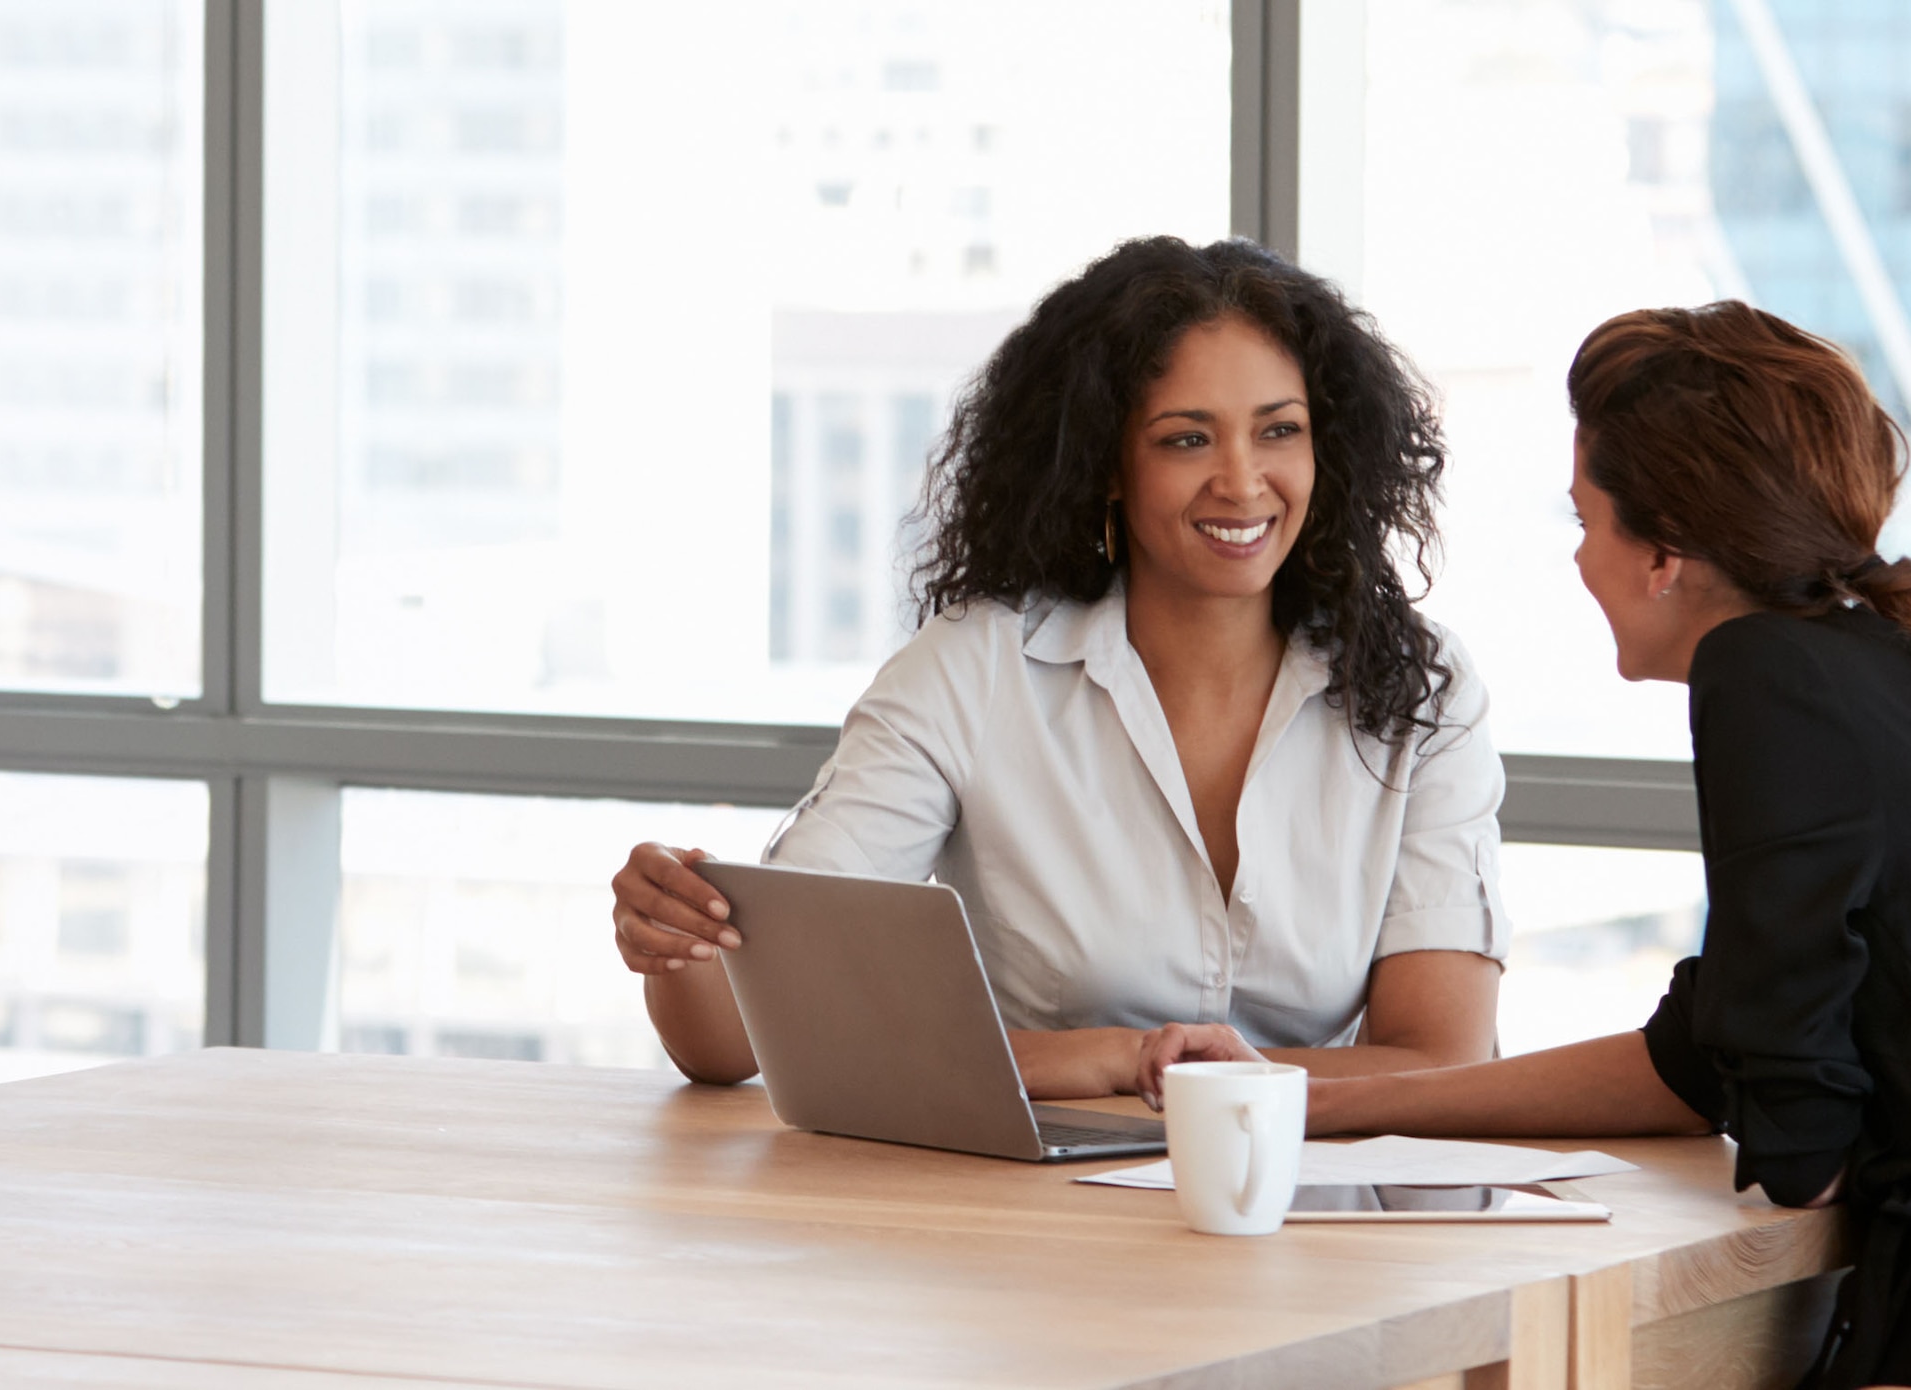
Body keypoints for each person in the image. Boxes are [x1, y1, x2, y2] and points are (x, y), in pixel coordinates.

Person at [1299, 302, 1911, 1390]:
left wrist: (1787, 1105)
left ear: (1663, 552)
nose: (1579, 558)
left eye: (1586, 520)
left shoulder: (1764, 672)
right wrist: (1327, 1100)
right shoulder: (1882, 661)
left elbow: (1795, 1134)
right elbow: (1698, 1060)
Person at [605, 236, 1509, 1103]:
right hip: (1025, 1197)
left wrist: (1165, 1075)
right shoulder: (975, 671)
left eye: (1279, 430)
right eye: (1186, 440)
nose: (1241, 481)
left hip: (1307, 1193)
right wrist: (675, 933)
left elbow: (1441, 1060)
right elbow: (739, 1034)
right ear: (1106, 463)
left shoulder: (1419, 691)